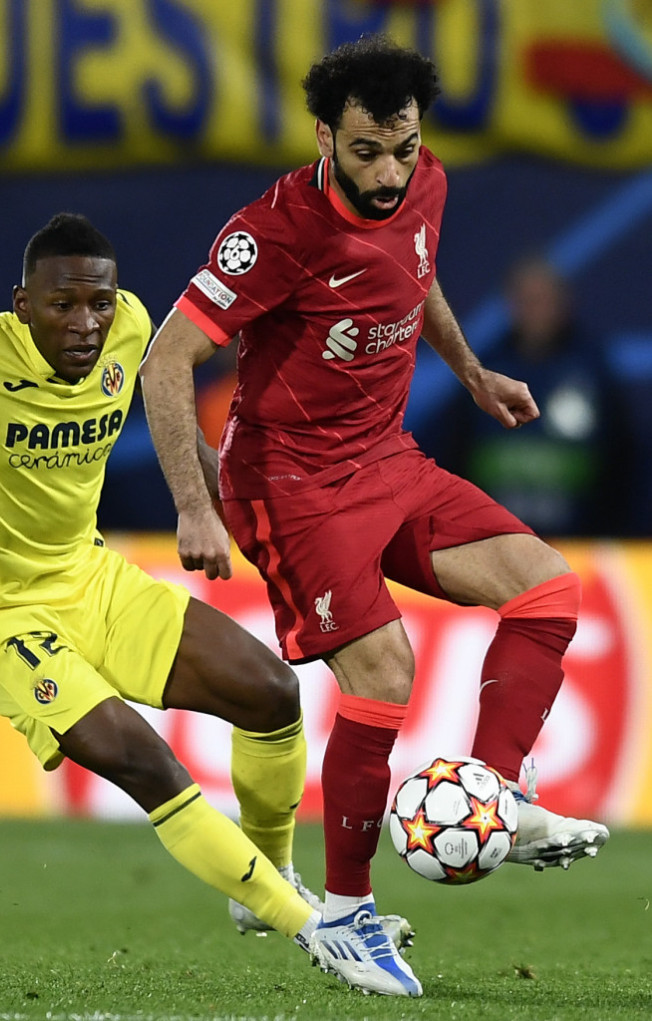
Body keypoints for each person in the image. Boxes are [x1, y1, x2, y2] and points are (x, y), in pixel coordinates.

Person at [0, 212, 415, 990]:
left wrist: (227, 507)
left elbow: (176, 419)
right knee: (147, 760)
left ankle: (270, 879)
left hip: (90, 580)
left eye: (99, 304)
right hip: (0, 618)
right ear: (23, 306)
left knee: (272, 692)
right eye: (63, 306)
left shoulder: (134, 327)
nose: (86, 323)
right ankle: (314, 929)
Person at [139, 36, 609, 999]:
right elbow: (166, 357)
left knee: (547, 591)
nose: (390, 174)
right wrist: (194, 500)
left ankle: (496, 791)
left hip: (386, 458)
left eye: (403, 148)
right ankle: (346, 913)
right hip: (289, 486)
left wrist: (470, 371)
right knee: (386, 672)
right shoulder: (275, 231)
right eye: (366, 152)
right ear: (325, 137)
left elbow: (416, 269)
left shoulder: (425, 184)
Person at [436, 254, 627, 537]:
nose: (535, 310)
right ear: (510, 304)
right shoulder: (483, 371)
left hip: (579, 543)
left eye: (543, 299)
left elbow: (621, 461)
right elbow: (455, 453)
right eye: (526, 300)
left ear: (563, 302)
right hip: (496, 539)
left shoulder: (594, 372)